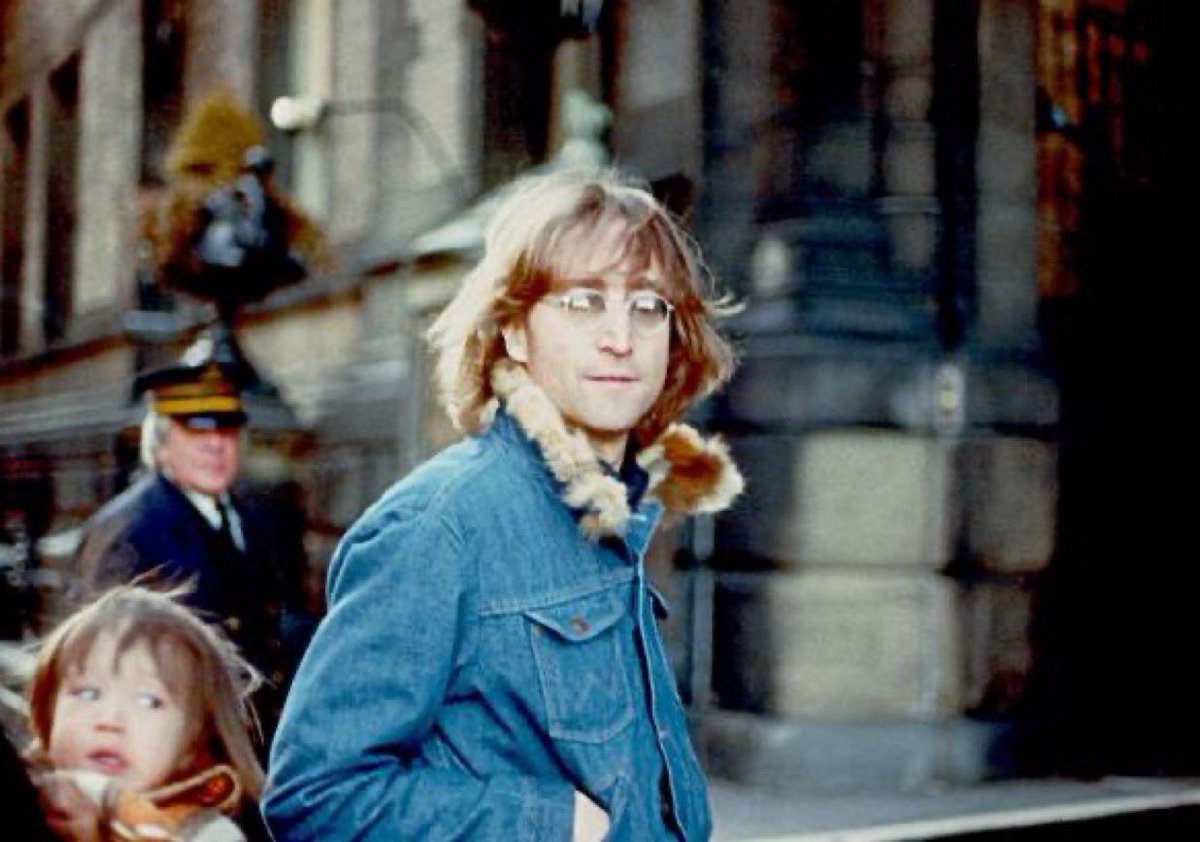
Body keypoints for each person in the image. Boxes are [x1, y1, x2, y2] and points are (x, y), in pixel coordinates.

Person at [264, 169, 743, 840]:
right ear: (514, 331)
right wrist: (547, 823)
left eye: (647, 305)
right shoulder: (439, 527)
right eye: (582, 303)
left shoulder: (622, 511)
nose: (621, 336)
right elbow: (317, 796)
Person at [73, 333, 289, 732]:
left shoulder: (250, 518)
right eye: (197, 433)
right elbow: (107, 663)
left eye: (226, 432)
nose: (216, 447)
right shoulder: (127, 530)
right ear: (160, 445)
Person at [25, 585, 264, 841]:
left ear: (192, 744)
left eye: (148, 701)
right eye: (87, 694)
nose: (110, 720)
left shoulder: (210, 834)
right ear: (48, 715)